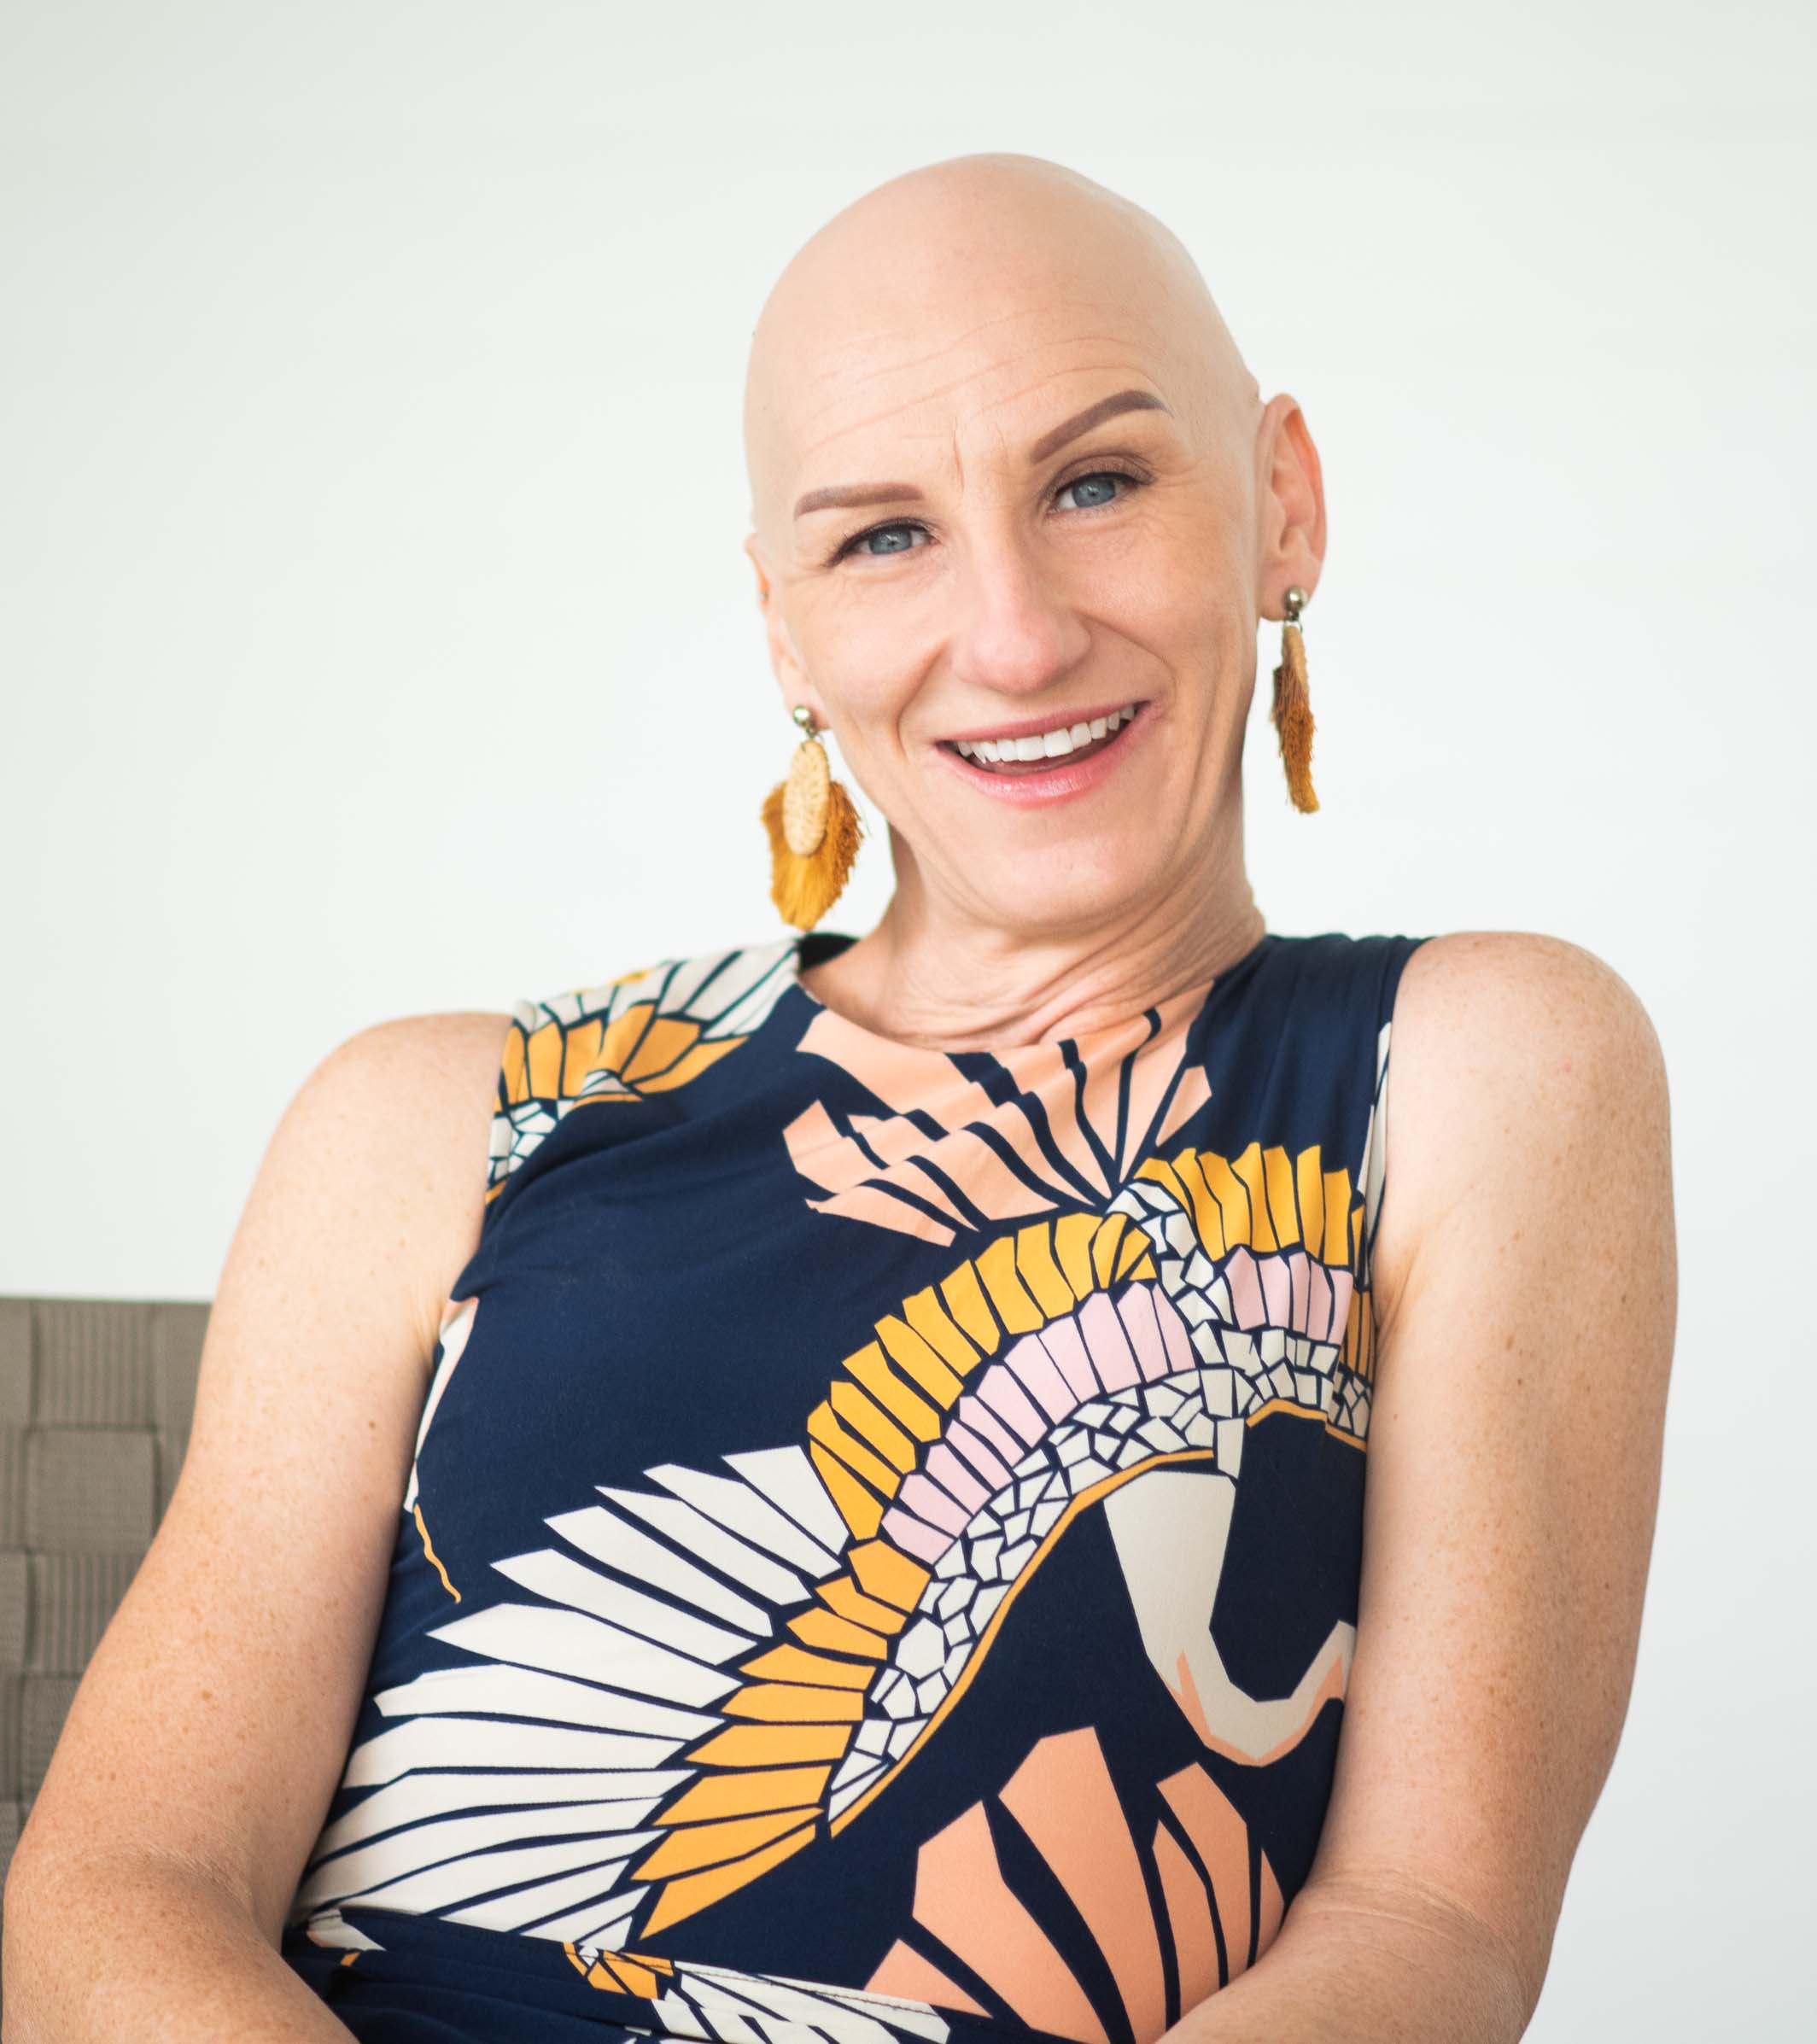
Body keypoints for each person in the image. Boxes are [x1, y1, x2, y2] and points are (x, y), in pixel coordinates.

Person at [3, 154, 1676, 2044]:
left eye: (1096, 484)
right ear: (785, 627)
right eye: (885, 537)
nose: (1016, 636)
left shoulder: (1476, 1068)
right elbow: (117, 1890)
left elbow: (1430, 1930)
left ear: (1280, 502)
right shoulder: (427, 1121)